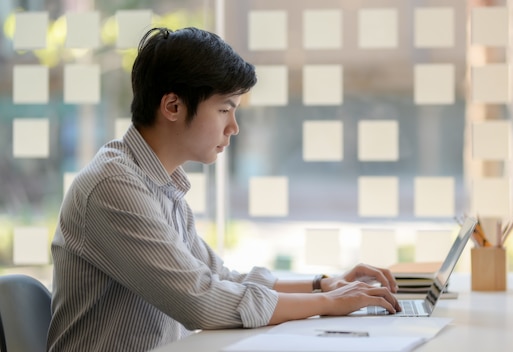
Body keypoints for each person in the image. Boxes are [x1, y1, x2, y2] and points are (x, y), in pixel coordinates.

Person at [47, 27, 400, 351]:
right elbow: (202, 300)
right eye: (224, 109)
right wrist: (329, 304)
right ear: (173, 106)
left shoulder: (158, 184)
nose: (233, 127)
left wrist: (323, 285)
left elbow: (220, 278)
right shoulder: (113, 187)